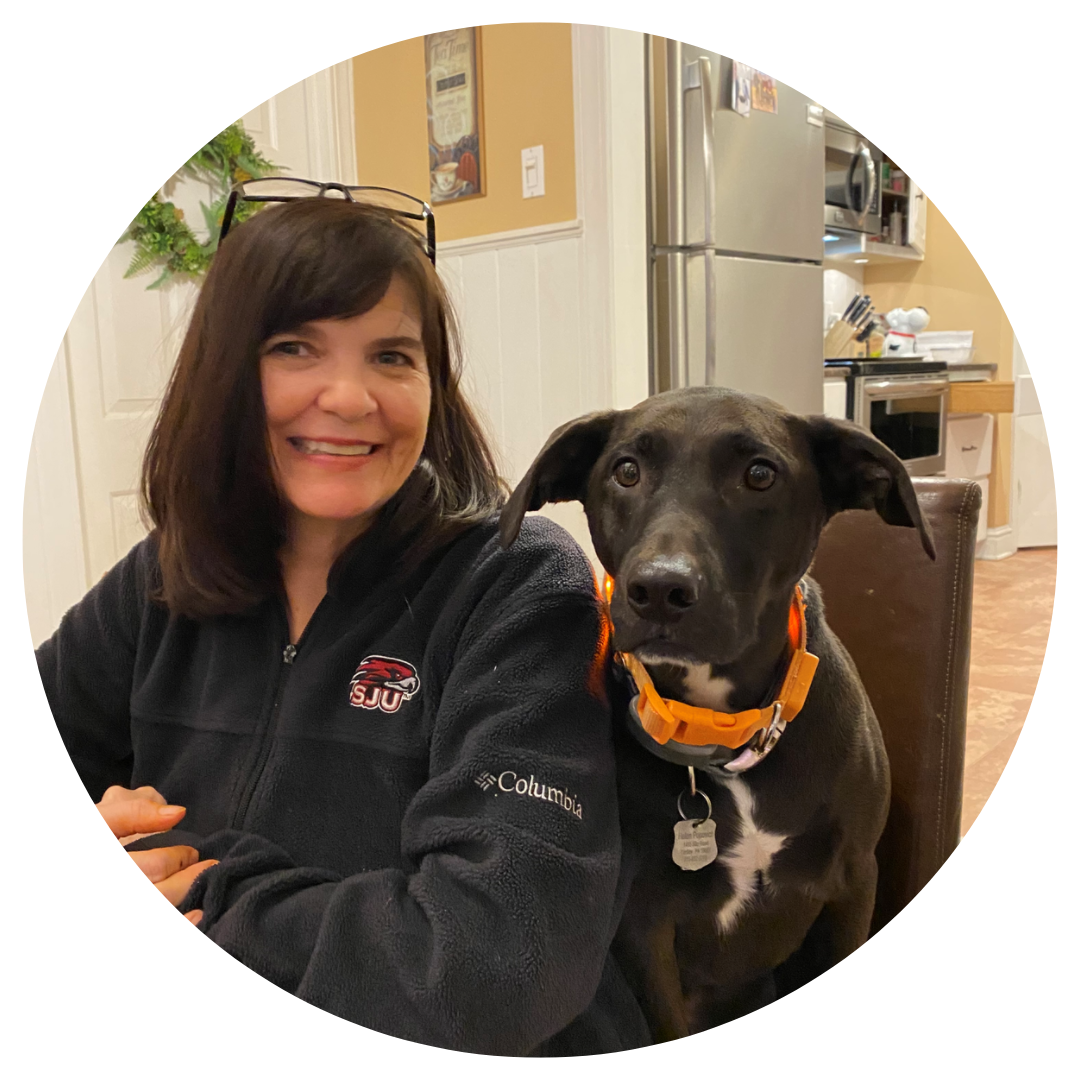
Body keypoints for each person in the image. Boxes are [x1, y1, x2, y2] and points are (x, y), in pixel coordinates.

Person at [36, 191, 651, 1055]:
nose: (350, 397)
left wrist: (205, 889)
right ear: (223, 374)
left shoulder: (517, 582)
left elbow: (498, 965)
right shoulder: (164, 577)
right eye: (295, 348)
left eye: (392, 357)